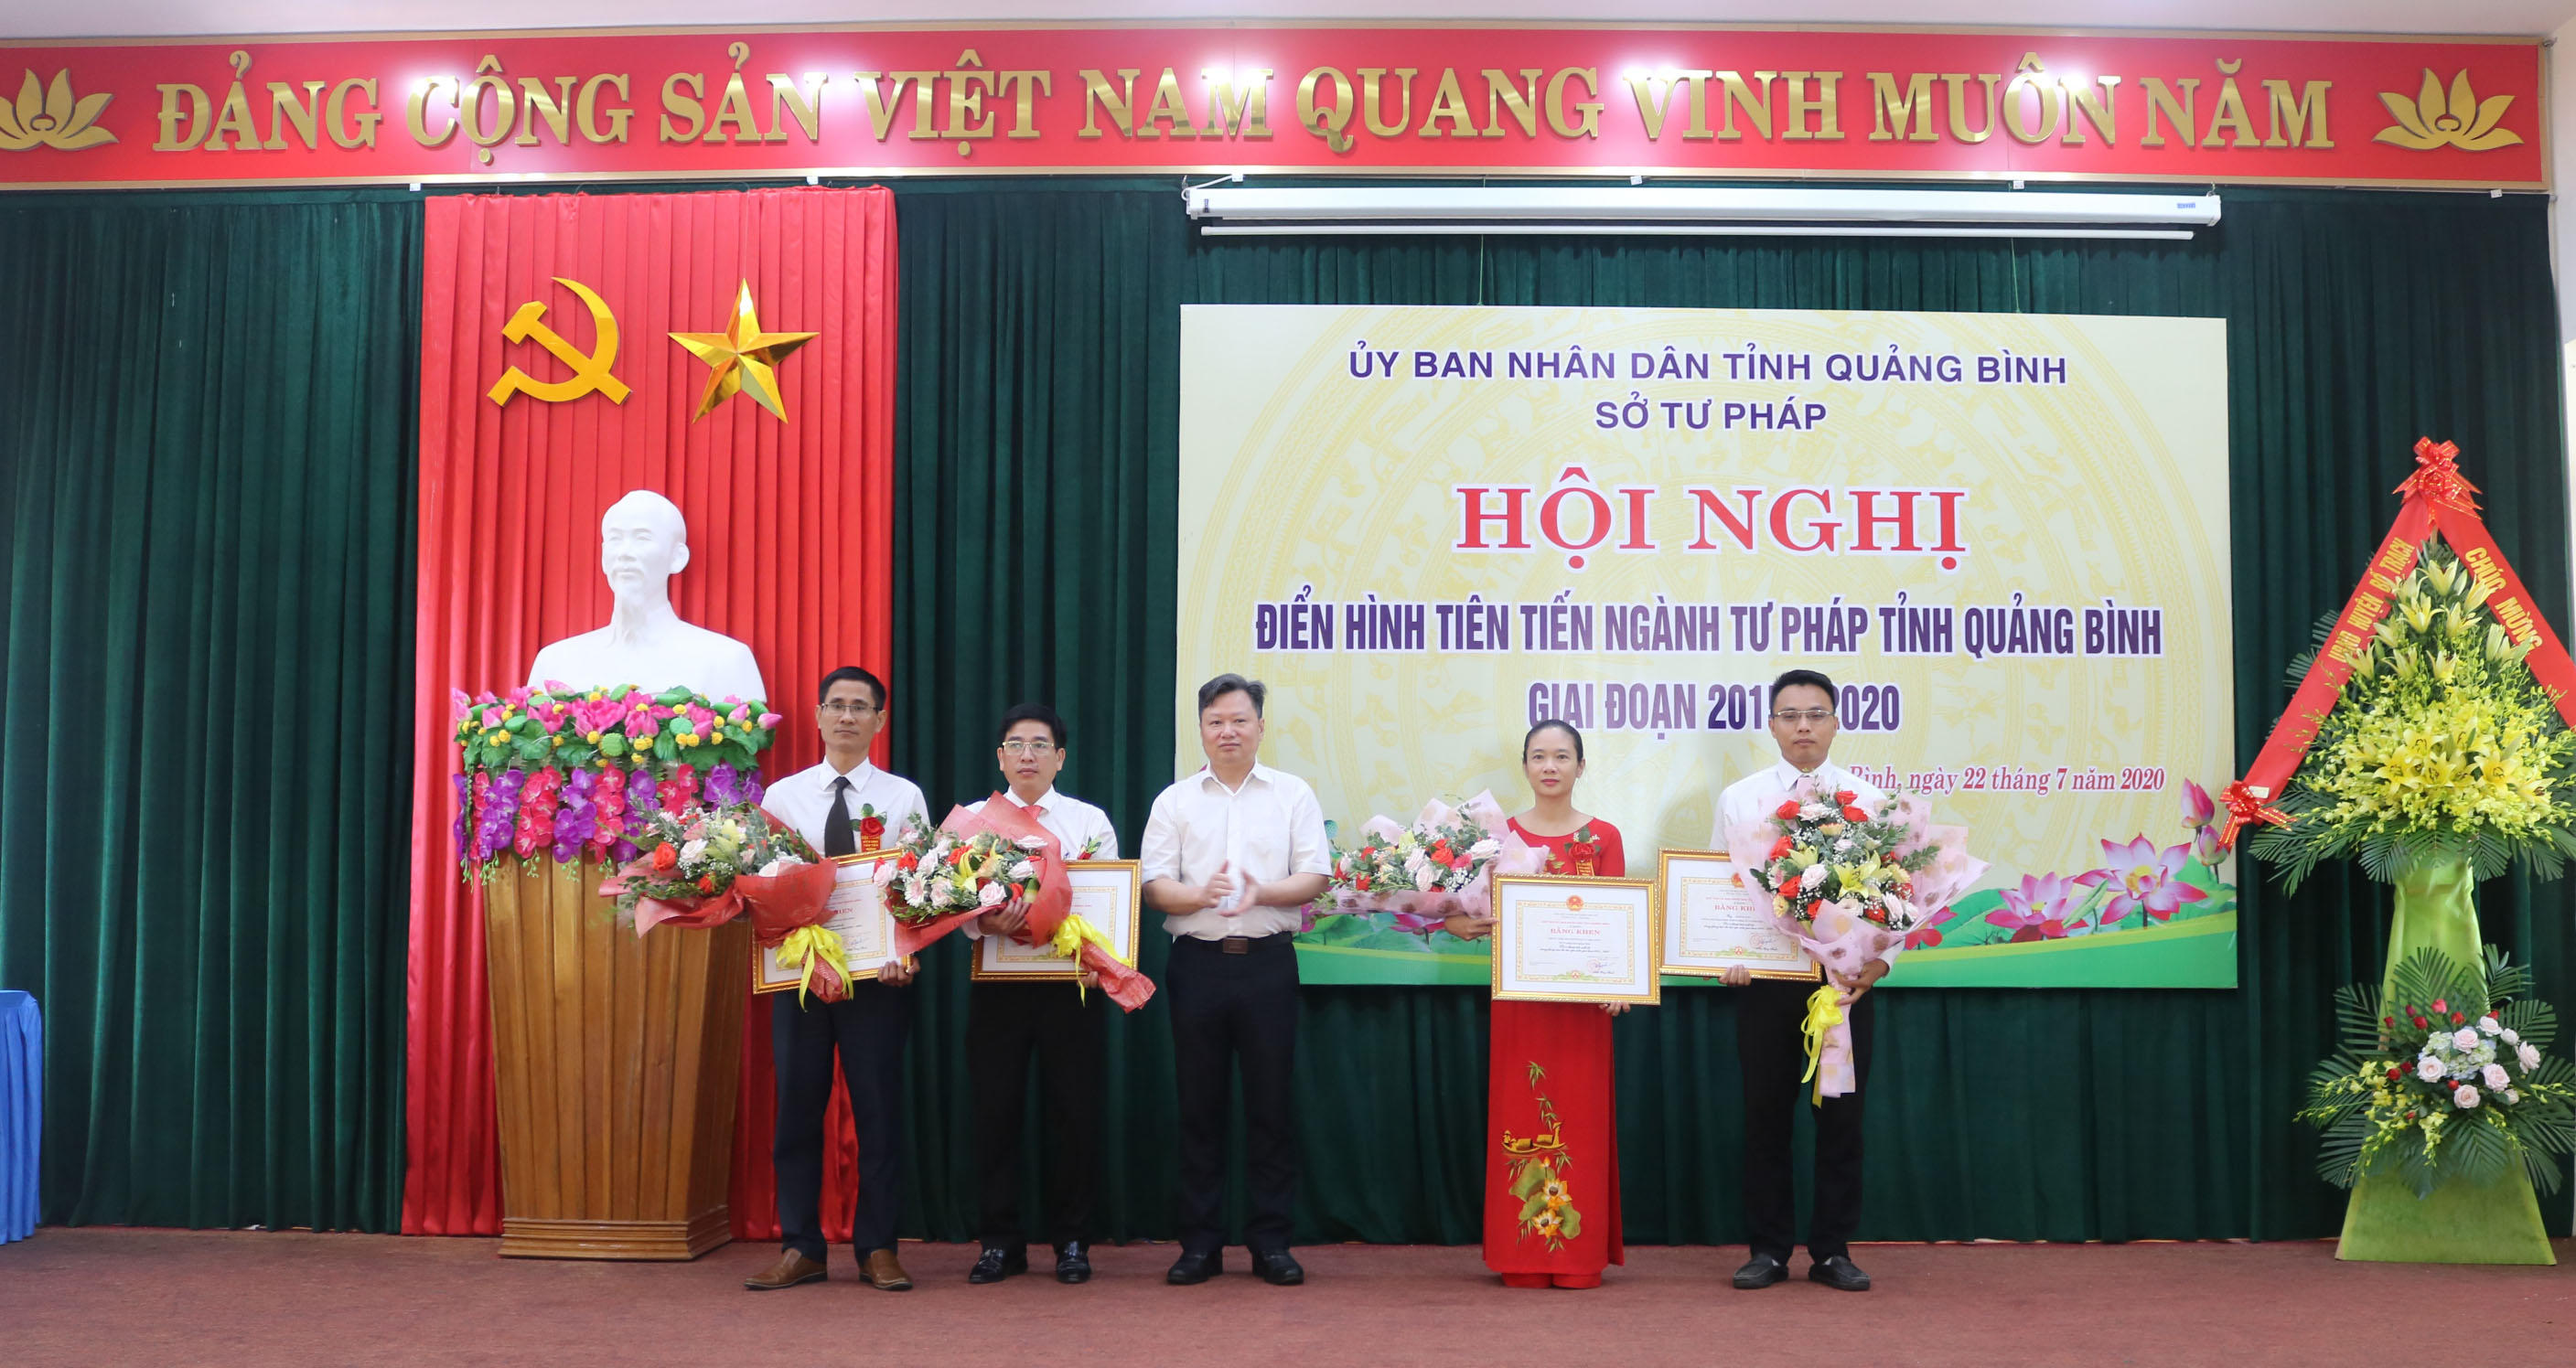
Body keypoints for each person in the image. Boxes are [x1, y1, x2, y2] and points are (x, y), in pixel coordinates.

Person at [1140, 674, 1329, 1288]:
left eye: (1240, 720)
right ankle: (1200, 1245)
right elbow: (1154, 886)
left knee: (1271, 1107)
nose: (1228, 731)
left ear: (1261, 727)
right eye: (1216, 721)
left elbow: (1315, 876)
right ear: (1200, 728)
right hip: (1196, 965)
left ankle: (1271, 1243)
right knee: (1200, 1107)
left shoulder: (1292, 794)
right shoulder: (1174, 801)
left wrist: (1260, 891)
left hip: (1268, 964)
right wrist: (1200, 895)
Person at [742, 666, 927, 1293]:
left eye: (860, 707)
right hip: (800, 977)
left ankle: (878, 1248)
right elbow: (761, 886)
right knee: (796, 1112)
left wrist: (905, 949)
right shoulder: (782, 797)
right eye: (837, 705)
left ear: (879, 720)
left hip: (878, 979)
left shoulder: (903, 797)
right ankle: (802, 1246)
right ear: (819, 716)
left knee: (878, 1113)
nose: (847, 716)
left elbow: (919, 888)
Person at [1712, 668, 1889, 1294]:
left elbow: (1896, 897)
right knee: (1765, 1119)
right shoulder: (1741, 799)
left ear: (1837, 722)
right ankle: (1767, 1249)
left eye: (1816, 714)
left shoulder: (1870, 801)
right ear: (1772, 726)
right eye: (1790, 715)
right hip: (1765, 985)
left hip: (1842, 987)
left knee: (1842, 1121)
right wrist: (1725, 954)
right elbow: (1720, 888)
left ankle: (1833, 1250)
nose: (1803, 726)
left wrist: (1881, 964)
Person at [1443, 721, 1629, 1289]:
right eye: (1539, 756)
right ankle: (1523, 1252)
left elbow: (1617, 922)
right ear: (1525, 765)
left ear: (1581, 766)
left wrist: (1618, 984)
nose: (1550, 766)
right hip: (1520, 1004)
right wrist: (1458, 924)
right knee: (1524, 1116)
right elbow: (1455, 911)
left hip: (1583, 1010)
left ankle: (1576, 1256)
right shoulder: (1496, 840)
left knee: (1581, 1123)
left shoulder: (1604, 837)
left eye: (1562, 756)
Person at [959, 703, 1121, 1287]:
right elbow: (946, 903)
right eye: (1016, 745)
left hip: (1070, 986)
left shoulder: (1088, 821)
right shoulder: (974, 821)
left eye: (1040, 745)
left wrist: (1096, 959)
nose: (1027, 755)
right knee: (994, 1114)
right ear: (1000, 757)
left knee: (1073, 1114)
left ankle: (1072, 1240)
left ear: (1061, 757)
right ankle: (999, 1243)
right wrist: (981, 921)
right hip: (997, 985)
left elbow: (1107, 901)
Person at [524, 490, 767, 701]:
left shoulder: (726, 661)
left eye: (642, 538)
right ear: (603, 557)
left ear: (677, 557)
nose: (624, 553)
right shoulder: (556, 662)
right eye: (615, 539)